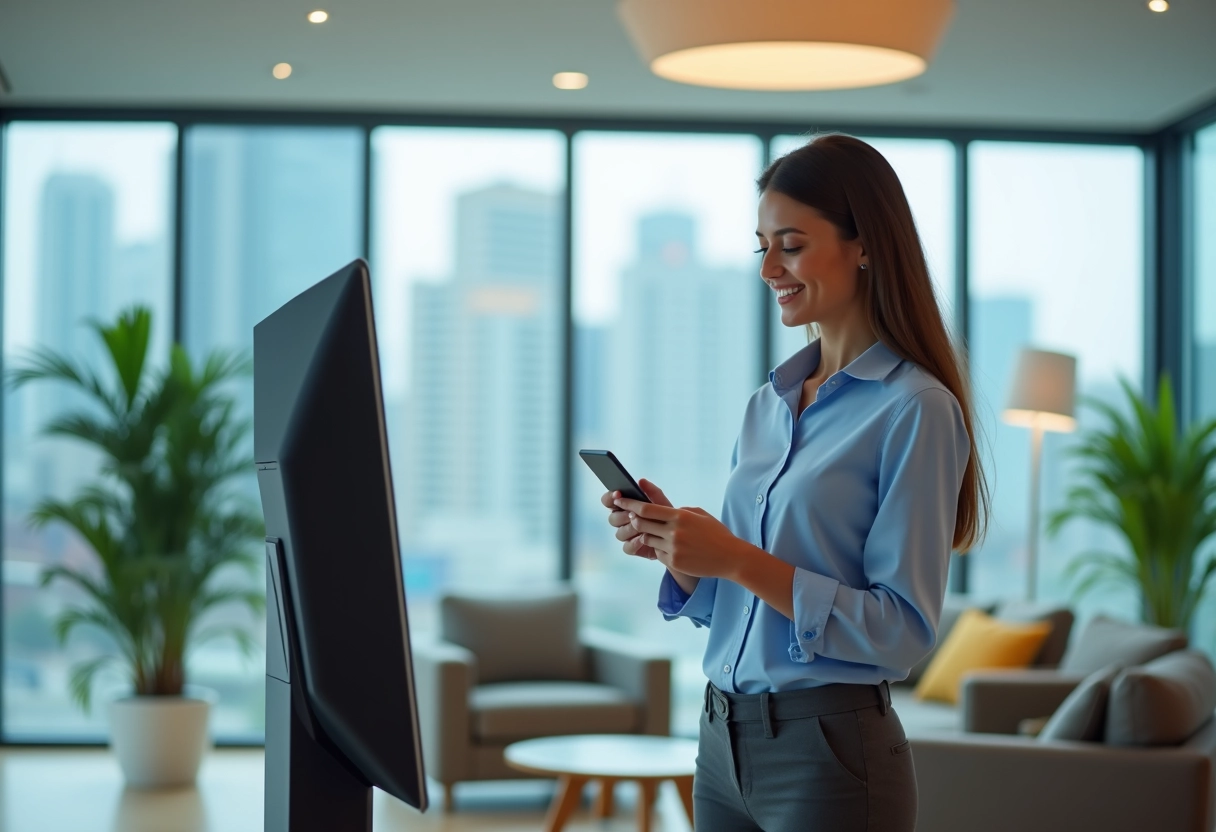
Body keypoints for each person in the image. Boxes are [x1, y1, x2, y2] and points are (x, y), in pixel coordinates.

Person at [601, 134, 988, 831]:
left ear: (864, 244)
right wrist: (686, 558)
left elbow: (902, 632)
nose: (768, 268)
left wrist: (735, 557)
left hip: (830, 756)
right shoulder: (767, 404)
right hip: (722, 738)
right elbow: (742, 603)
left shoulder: (915, 409)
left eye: (792, 244)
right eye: (762, 247)